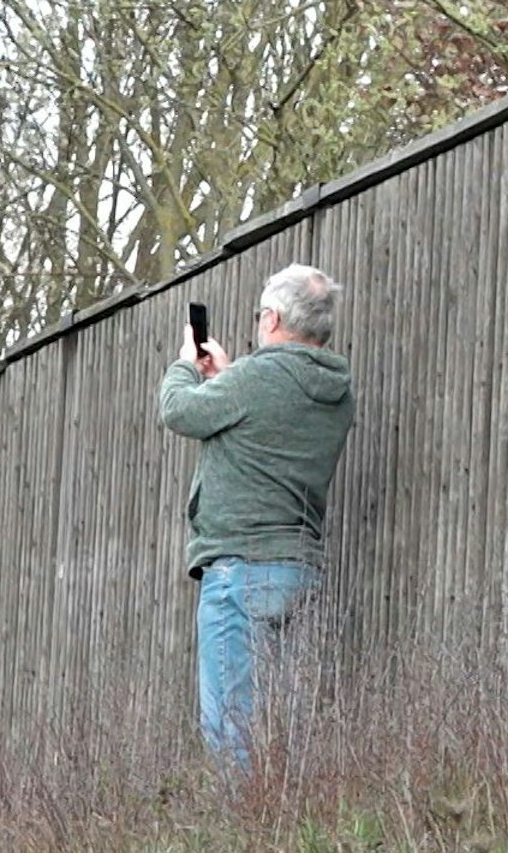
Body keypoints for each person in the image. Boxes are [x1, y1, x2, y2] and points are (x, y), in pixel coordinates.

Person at [159, 263, 356, 769]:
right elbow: (270, 421)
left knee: (231, 730)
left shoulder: (255, 377)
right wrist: (227, 378)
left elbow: (179, 410)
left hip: (239, 571)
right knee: (283, 729)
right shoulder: (337, 391)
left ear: (271, 318)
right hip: (299, 571)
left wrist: (186, 365)